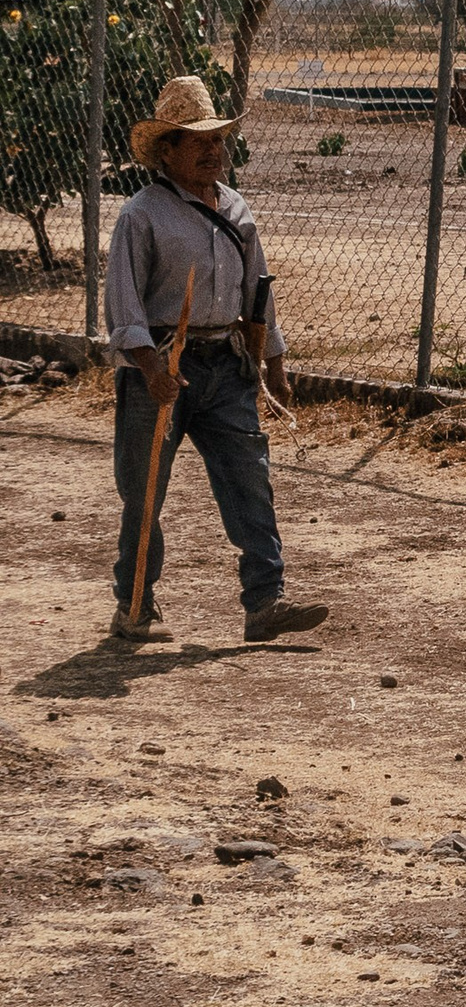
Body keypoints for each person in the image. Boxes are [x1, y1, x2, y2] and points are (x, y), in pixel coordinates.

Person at [104, 76, 330, 644]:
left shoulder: (237, 209)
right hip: (160, 365)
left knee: (249, 476)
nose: (212, 149)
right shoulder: (141, 216)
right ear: (166, 151)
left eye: (218, 139)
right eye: (196, 140)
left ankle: (265, 601)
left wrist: (273, 364)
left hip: (225, 365)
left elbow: (258, 295)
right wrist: (152, 370)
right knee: (144, 490)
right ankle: (134, 604)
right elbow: (124, 306)